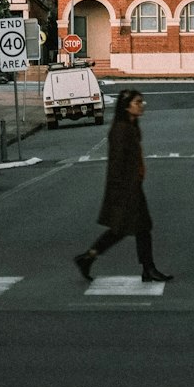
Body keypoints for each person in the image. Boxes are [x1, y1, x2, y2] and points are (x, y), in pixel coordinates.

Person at [74, 88, 172, 283]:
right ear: (126, 107)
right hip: (126, 188)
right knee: (135, 228)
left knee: (130, 228)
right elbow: (116, 163)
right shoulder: (121, 129)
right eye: (137, 102)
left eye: (141, 102)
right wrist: (120, 191)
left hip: (132, 185)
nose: (141, 105)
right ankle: (147, 268)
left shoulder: (131, 125)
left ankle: (89, 257)